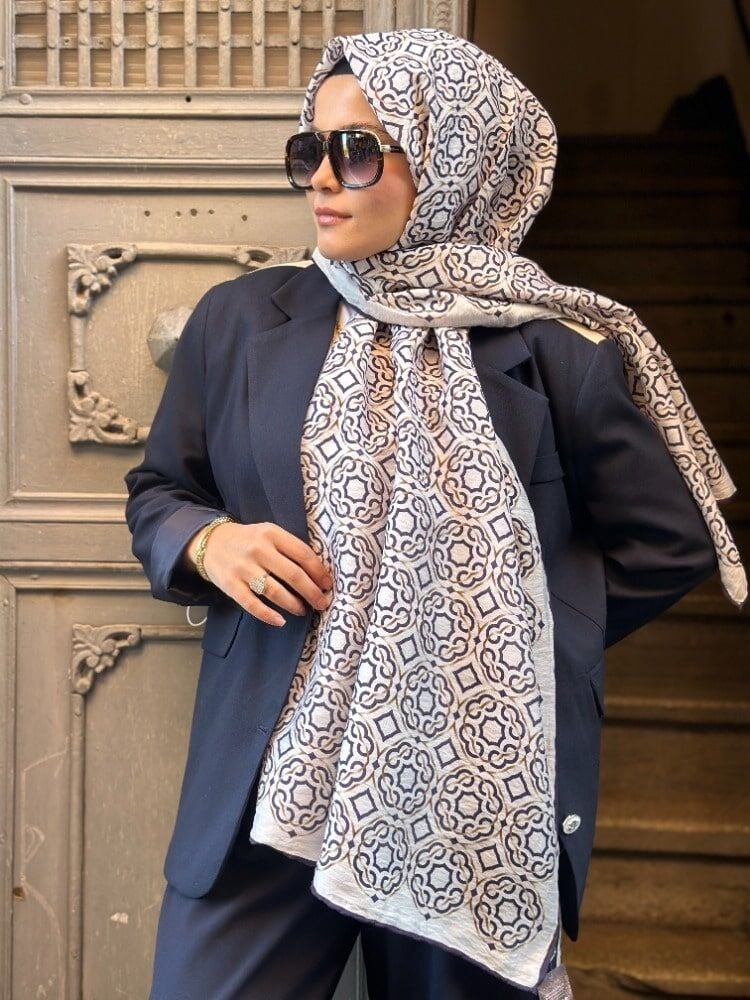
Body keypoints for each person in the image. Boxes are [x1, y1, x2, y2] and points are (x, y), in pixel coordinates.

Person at [124, 28, 745, 1000]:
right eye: (309, 148)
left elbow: (669, 541)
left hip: (461, 795)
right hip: (264, 783)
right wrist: (207, 541)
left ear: (453, 159)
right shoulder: (240, 321)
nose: (320, 177)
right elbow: (161, 488)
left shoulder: (553, 351)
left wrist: (505, 641)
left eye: (357, 150)